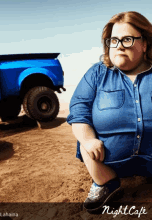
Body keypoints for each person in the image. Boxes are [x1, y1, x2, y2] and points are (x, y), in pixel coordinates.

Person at [67, 11, 152, 212]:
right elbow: (79, 111)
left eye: (127, 39)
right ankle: (105, 182)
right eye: (114, 40)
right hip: (108, 162)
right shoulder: (97, 73)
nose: (119, 45)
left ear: (145, 44)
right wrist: (88, 140)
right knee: (83, 137)